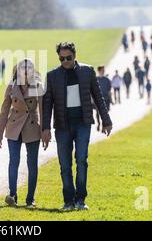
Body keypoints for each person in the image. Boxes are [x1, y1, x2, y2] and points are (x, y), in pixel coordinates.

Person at [42, 42, 112, 211]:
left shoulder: (87, 71)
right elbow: (47, 104)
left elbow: (98, 97)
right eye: (61, 58)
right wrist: (45, 128)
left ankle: (80, 200)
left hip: (83, 124)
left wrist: (106, 120)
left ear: (75, 55)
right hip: (62, 127)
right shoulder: (52, 76)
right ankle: (68, 201)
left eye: (68, 58)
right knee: (65, 165)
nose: (65, 61)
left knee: (81, 161)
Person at [0, 58, 44, 208]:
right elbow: (4, 110)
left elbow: (43, 111)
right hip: (14, 126)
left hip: (32, 126)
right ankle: (13, 195)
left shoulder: (38, 86)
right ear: (17, 70)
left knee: (32, 164)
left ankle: (30, 199)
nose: (25, 70)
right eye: (23, 67)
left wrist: (45, 131)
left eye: (29, 67)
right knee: (14, 161)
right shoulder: (11, 86)